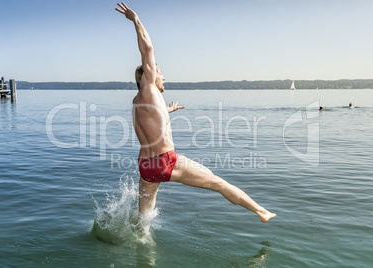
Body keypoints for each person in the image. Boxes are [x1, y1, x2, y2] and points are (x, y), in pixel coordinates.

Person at [115, 2, 276, 223]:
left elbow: (151, 122)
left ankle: (141, 249)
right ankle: (262, 212)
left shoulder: (139, 102)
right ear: (149, 77)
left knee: (144, 221)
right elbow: (148, 50)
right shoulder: (149, 87)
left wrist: (168, 109)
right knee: (218, 183)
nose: (163, 77)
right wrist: (136, 20)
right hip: (165, 162)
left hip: (146, 167)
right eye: (160, 74)